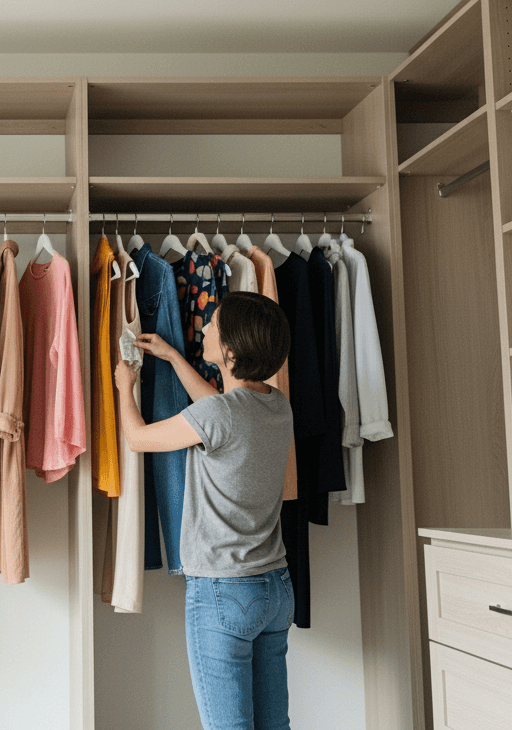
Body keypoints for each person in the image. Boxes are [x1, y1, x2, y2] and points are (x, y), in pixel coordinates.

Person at [114, 291, 295, 730]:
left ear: (230, 351)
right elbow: (216, 407)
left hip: (223, 592)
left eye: (213, 325)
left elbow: (138, 438)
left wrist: (125, 388)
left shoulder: (218, 416)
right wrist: (175, 358)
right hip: (275, 589)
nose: (206, 328)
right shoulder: (276, 405)